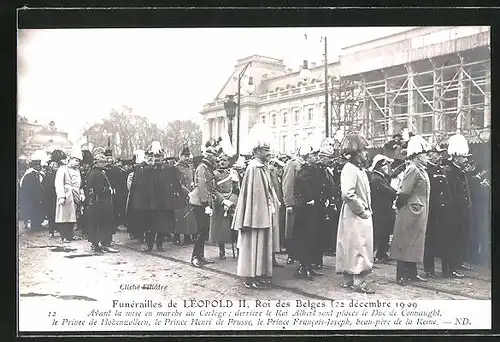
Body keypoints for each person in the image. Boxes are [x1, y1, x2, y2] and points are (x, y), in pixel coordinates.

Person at [232, 123, 278, 289]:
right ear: (257, 150)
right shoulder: (254, 168)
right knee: (253, 245)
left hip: (262, 215)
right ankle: (250, 277)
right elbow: (254, 197)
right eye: (265, 149)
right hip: (255, 217)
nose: (269, 152)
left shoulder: (262, 168)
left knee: (260, 245)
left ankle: (257, 274)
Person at [336, 132, 375, 294]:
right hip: (356, 214)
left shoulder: (356, 169)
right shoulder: (351, 169)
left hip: (355, 214)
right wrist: (362, 210)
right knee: (359, 246)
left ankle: (349, 279)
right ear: (357, 152)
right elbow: (348, 193)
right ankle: (358, 280)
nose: (366, 153)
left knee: (353, 245)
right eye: (364, 150)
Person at [391, 134, 431, 285]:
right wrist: (401, 207)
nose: (426, 157)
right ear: (417, 156)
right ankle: (401, 274)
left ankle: (412, 273)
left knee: (414, 243)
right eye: (424, 154)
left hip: (417, 212)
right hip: (410, 211)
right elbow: (404, 192)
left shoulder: (421, 170)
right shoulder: (413, 169)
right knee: (404, 242)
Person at [291, 144, 325, 280]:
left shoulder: (313, 169)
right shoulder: (304, 171)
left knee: (312, 237)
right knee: (305, 237)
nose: (316, 157)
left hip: (312, 209)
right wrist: (309, 198)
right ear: (307, 157)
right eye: (313, 155)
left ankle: (308, 265)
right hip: (306, 210)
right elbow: (301, 184)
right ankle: (304, 266)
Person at [189, 142, 220, 267]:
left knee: (204, 230)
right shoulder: (202, 167)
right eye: (213, 155)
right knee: (200, 230)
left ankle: (200, 256)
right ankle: (195, 257)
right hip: (199, 202)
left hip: (204, 201)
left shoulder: (208, 167)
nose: (216, 157)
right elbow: (202, 187)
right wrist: (206, 204)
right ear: (207, 155)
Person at [209, 140, 240, 259]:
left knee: (234, 226)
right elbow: (213, 189)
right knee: (220, 228)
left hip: (231, 202)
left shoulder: (233, 173)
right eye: (220, 160)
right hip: (219, 201)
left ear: (229, 161)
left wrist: (231, 201)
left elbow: (237, 189)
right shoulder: (215, 174)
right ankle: (221, 249)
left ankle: (238, 248)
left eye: (225, 160)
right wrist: (223, 201)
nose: (222, 162)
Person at [86, 152, 119, 253]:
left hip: (99, 203)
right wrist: (109, 190)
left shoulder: (97, 172)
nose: (105, 164)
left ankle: (97, 244)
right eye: (103, 162)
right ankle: (103, 244)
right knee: (103, 224)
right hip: (101, 203)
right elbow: (98, 189)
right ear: (97, 163)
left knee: (98, 224)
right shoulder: (97, 173)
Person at [368, 154, 397, 263]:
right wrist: (397, 193)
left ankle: (382, 253)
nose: (387, 167)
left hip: (385, 208)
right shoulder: (376, 179)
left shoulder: (381, 177)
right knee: (379, 232)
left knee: (384, 232)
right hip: (380, 209)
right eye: (385, 165)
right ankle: (377, 254)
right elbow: (388, 191)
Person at [282, 147, 306, 265]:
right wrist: (289, 203)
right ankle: (290, 255)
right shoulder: (293, 164)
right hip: (295, 202)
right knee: (291, 229)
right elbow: (288, 184)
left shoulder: (306, 165)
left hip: (304, 203)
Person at [55, 147, 85, 243]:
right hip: (66, 194)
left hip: (75, 196)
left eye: (79, 161)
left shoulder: (77, 171)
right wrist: (61, 196)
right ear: (71, 159)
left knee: (73, 217)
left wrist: (81, 193)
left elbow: (80, 184)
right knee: (64, 217)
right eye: (76, 160)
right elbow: (58, 183)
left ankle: (70, 235)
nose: (77, 163)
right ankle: (64, 236)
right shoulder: (62, 169)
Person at [173, 147, 197, 246]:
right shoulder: (176, 167)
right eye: (185, 156)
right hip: (180, 195)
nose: (187, 158)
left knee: (189, 217)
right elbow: (178, 183)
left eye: (188, 156)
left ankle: (187, 237)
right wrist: (187, 192)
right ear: (180, 156)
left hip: (190, 194)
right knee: (179, 216)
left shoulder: (189, 167)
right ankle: (176, 237)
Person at [42, 150, 66, 237]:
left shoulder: (58, 173)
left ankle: (56, 229)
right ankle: (52, 230)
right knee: (52, 213)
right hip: (51, 196)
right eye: (52, 165)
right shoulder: (49, 174)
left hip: (55, 195)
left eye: (55, 165)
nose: (53, 166)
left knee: (56, 212)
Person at [19, 151, 46, 231]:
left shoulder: (41, 174)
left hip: (40, 196)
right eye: (37, 166)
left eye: (39, 165)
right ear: (34, 166)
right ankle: (34, 226)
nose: (39, 167)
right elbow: (25, 186)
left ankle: (38, 224)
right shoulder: (29, 175)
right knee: (34, 210)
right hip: (32, 196)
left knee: (39, 210)